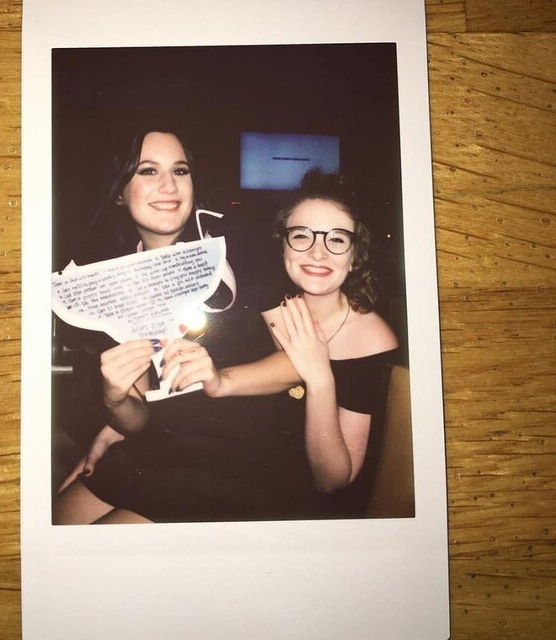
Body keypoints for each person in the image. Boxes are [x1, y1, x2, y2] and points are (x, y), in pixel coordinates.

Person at [53, 129, 298, 524]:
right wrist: (114, 401)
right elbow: (139, 418)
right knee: (59, 523)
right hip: (161, 447)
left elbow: (300, 363)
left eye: (180, 171)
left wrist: (220, 380)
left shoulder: (238, 248)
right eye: (148, 171)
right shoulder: (118, 281)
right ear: (119, 192)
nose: (169, 185)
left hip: (239, 458)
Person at [161, 169, 399, 516]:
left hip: (301, 506)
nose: (318, 253)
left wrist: (319, 377)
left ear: (355, 255)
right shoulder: (280, 306)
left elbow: (332, 481)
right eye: (301, 236)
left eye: (336, 239)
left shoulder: (372, 338)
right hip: (249, 464)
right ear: (283, 245)